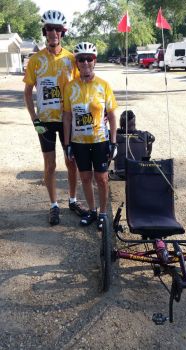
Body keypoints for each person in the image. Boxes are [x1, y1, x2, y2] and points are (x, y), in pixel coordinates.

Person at [23, 10, 87, 226]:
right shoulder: (35, 60)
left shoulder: (71, 59)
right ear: (45, 32)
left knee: (72, 161)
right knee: (50, 165)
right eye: (49, 29)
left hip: (67, 118)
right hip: (46, 120)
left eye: (57, 29)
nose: (53, 33)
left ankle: (72, 199)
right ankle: (53, 205)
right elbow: (27, 91)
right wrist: (34, 119)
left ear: (62, 33)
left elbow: (81, 86)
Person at [63, 42, 118, 230]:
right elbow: (68, 116)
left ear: (95, 61)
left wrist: (113, 142)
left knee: (101, 179)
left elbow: (111, 114)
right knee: (85, 178)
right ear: (76, 62)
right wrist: (67, 144)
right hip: (79, 142)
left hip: (100, 140)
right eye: (81, 59)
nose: (85, 62)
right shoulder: (70, 87)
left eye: (89, 58)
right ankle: (92, 211)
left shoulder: (103, 85)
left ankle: (103, 213)